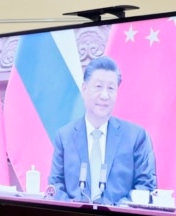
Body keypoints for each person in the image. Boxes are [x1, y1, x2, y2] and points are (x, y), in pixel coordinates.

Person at [48, 56, 156, 204]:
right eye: (98, 87)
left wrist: (113, 212)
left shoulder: (136, 137)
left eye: (111, 88)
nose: (104, 95)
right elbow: (55, 185)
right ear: (84, 89)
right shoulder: (64, 137)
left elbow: (146, 187)